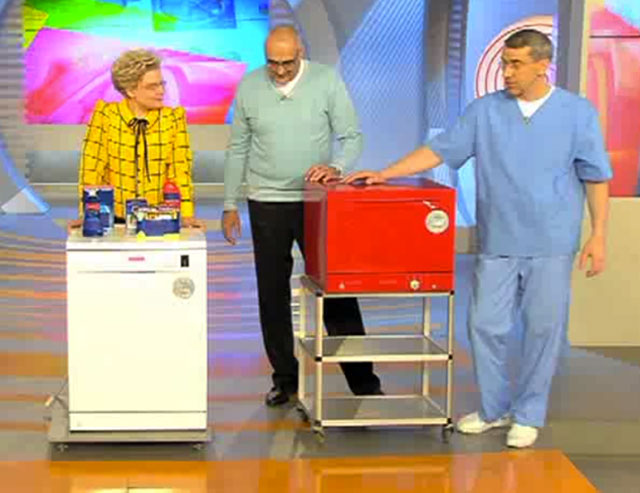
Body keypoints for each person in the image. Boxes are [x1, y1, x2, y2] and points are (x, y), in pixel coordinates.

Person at [345, 29, 611, 447]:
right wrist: (385, 173)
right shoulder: (485, 111)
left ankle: (528, 414)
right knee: (484, 325)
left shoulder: (577, 113)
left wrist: (599, 235)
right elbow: (439, 150)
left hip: (552, 243)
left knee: (542, 331)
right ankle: (493, 408)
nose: (507, 72)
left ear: (543, 65)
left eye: (516, 64)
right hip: (499, 240)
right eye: (504, 63)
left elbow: (595, 177)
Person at [222, 26, 382, 407]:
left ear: (301, 53)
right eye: (272, 63)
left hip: (314, 201)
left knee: (335, 290)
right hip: (265, 201)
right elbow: (238, 147)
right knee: (271, 294)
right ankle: (285, 379)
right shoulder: (249, 86)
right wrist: (229, 203)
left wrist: (336, 167)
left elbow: (352, 136)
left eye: (287, 63)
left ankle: (364, 382)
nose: (279, 71)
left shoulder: (326, 81)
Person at [69, 49, 203, 230]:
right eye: (152, 86)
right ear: (130, 90)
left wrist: (186, 215)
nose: (161, 91)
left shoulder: (173, 119)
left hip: (159, 218)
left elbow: (180, 172)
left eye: (162, 84)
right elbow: (91, 170)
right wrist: (87, 214)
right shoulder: (106, 116)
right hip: (113, 219)